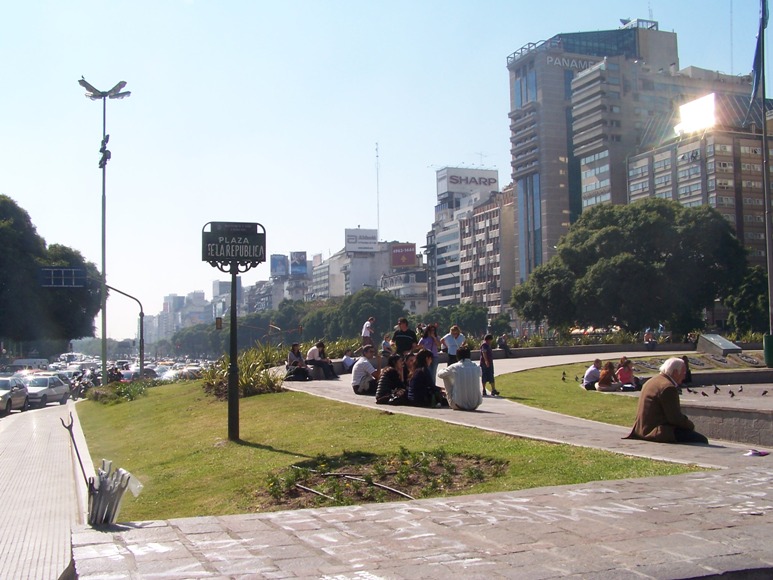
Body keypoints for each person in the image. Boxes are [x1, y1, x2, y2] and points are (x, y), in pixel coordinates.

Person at [626, 357, 709, 444]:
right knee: (702, 440)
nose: (684, 376)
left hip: (641, 429)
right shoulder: (668, 387)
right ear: (676, 372)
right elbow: (675, 418)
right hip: (656, 431)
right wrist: (690, 425)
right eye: (683, 372)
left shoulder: (651, 381)